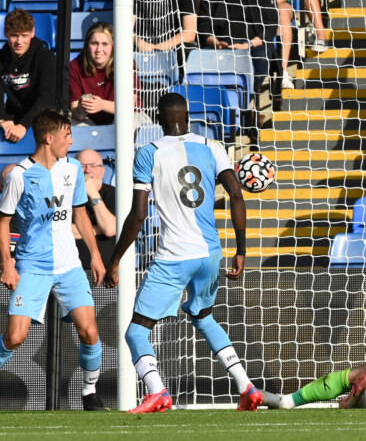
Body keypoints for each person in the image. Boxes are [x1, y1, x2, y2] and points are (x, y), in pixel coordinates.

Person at [105, 93, 262, 413]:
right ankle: (246, 386)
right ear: (188, 116)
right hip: (210, 254)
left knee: (136, 331)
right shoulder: (213, 147)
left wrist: (116, 259)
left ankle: (157, 392)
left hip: (174, 256)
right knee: (203, 316)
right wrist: (241, 249)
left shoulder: (148, 153)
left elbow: (138, 215)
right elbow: (236, 194)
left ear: (158, 120)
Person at [0, 110, 107, 411]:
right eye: (67, 136)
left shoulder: (72, 169)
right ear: (49, 139)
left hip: (69, 265)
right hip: (32, 266)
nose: (71, 141)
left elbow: (80, 214)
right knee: (15, 337)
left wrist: (95, 255)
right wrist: (7, 264)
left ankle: (90, 393)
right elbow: (3, 222)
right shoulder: (20, 175)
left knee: (90, 331)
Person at [197, 0, 278, 100]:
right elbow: (204, 25)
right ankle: (218, 101)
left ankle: (244, 101)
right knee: (198, 61)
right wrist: (216, 43)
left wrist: (248, 45)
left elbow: (270, 26)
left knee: (262, 59)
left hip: (253, 45)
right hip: (221, 45)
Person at [0, 9, 55, 143]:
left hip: (41, 118)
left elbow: (47, 97)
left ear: (32, 33)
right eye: (14, 35)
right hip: (12, 116)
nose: (19, 41)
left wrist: (23, 125)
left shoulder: (45, 57)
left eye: (24, 35)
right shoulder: (1, 58)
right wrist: (2, 120)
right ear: (5, 32)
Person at [72, 149, 116, 271]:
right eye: (82, 166)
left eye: (93, 166)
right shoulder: (65, 195)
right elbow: (60, 230)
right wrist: (99, 228)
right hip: (72, 271)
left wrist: (93, 193)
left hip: (108, 271)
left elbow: (110, 229)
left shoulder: (114, 194)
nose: (87, 170)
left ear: (103, 171)